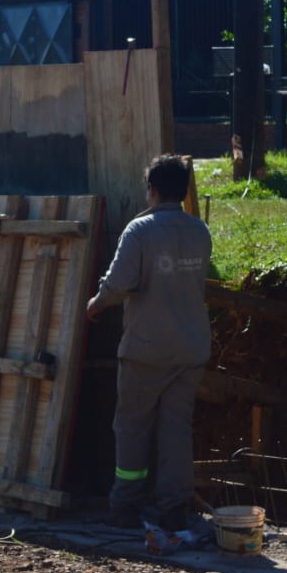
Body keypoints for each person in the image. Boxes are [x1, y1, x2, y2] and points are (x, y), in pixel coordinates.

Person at [85, 154, 212, 532]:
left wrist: (94, 305)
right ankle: (174, 507)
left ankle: (126, 504)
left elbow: (118, 284)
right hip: (190, 348)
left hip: (147, 348)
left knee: (132, 427)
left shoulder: (139, 231)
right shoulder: (199, 231)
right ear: (185, 190)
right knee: (176, 428)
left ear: (152, 190)